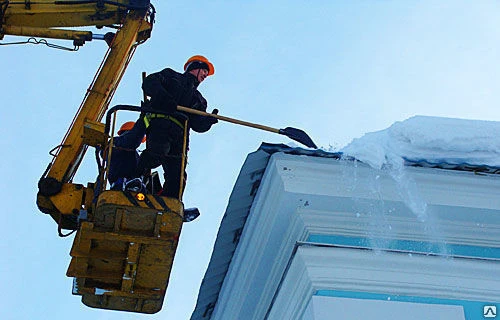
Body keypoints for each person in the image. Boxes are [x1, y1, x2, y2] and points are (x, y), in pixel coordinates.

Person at [136, 55, 218, 199]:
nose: (205, 75)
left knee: (178, 177)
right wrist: (164, 97)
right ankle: (133, 180)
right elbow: (149, 82)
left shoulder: (198, 99)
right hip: (161, 125)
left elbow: (197, 124)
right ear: (195, 67)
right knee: (157, 154)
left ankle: (169, 202)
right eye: (204, 70)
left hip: (180, 135)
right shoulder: (171, 76)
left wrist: (208, 121)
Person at [107, 118, 147, 191]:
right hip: (122, 185)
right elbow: (131, 140)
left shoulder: (132, 152)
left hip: (132, 185)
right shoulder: (117, 142)